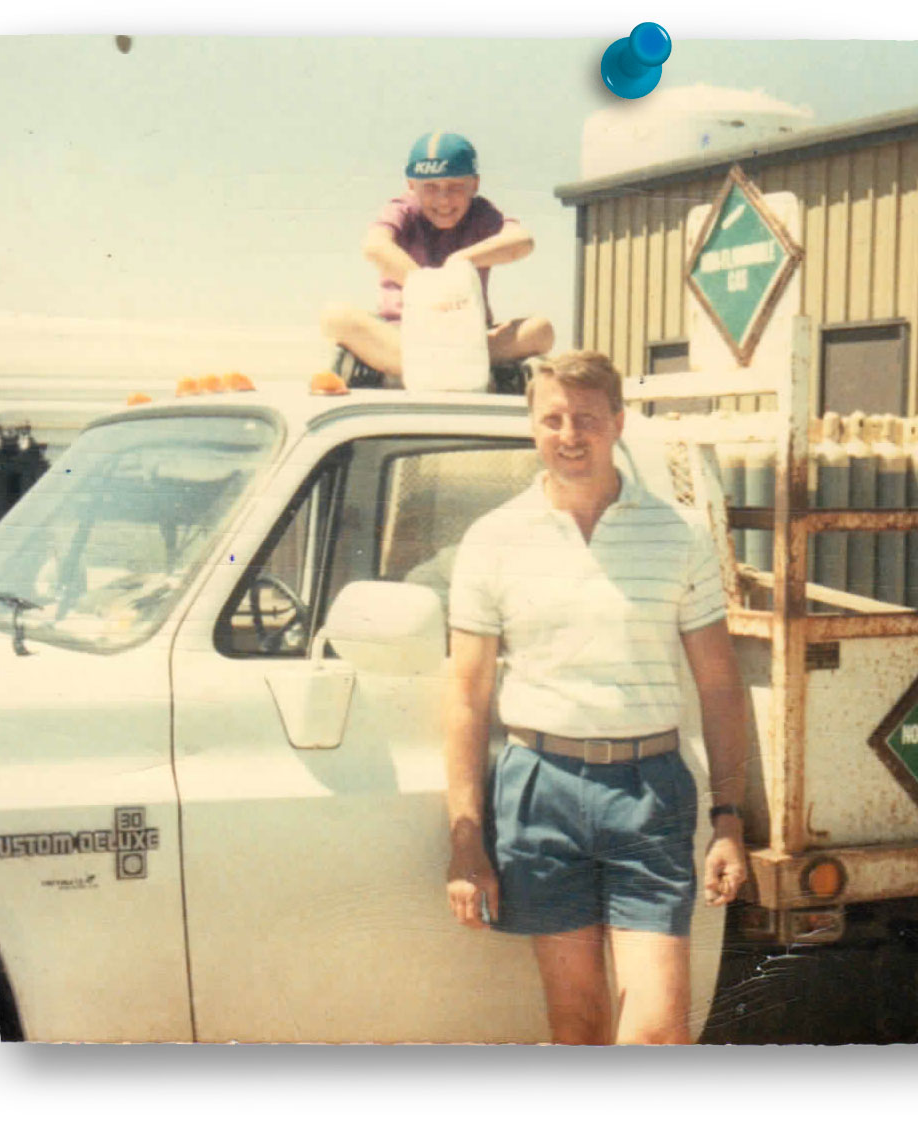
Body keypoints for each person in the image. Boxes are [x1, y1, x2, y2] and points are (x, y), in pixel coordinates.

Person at [443, 349, 749, 1044]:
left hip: (649, 792)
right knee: (576, 1027)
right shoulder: (492, 540)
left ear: (617, 422)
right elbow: (465, 697)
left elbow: (720, 687)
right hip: (538, 791)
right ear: (532, 426)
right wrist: (464, 838)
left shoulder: (675, 535)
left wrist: (728, 818)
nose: (568, 434)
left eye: (585, 418)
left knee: (655, 1034)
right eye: (551, 418)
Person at [319, 131, 554, 392]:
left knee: (541, 330)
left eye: (455, 187)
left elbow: (523, 241)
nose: (443, 200)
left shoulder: (481, 213)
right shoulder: (403, 209)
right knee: (334, 317)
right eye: (430, 187)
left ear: (474, 185)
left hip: (469, 338)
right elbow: (374, 245)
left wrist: (462, 259)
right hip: (404, 336)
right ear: (411, 185)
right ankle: (484, 373)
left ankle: (389, 369)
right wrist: (429, 287)